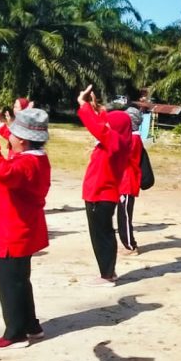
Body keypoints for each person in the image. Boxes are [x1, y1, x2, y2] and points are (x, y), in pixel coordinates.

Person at [0, 107, 52, 349]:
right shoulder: (34, 158)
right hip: (19, 229)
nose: (8, 136)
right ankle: (31, 325)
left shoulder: (26, 164)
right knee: (20, 281)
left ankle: (15, 333)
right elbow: (7, 163)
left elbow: (2, 171)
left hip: (11, 232)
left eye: (12, 133)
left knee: (9, 284)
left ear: (22, 139)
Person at [77, 85, 131, 286]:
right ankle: (108, 272)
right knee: (103, 234)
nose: (106, 125)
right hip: (100, 195)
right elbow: (102, 125)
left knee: (102, 236)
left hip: (100, 196)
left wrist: (83, 105)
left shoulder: (115, 142)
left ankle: (107, 275)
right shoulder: (117, 141)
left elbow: (99, 128)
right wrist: (95, 108)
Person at [116, 106, 144, 255]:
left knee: (125, 216)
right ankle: (127, 243)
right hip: (124, 181)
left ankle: (130, 246)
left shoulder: (133, 139)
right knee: (123, 214)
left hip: (127, 182)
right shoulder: (133, 137)